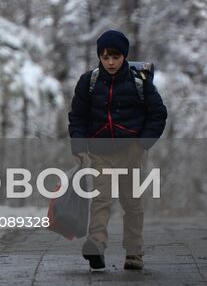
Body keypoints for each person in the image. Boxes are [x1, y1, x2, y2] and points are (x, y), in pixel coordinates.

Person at [67, 29, 167, 272]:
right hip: (100, 151)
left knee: (131, 202)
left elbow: (158, 114)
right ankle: (96, 246)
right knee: (101, 198)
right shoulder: (88, 82)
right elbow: (77, 117)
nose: (110, 62)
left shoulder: (139, 82)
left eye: (115, 57)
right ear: (99, 57)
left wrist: (142, 144)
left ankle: (134, 253)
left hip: (131, 151)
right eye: (105, 57)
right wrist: (79, 146)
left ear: (124, 56)